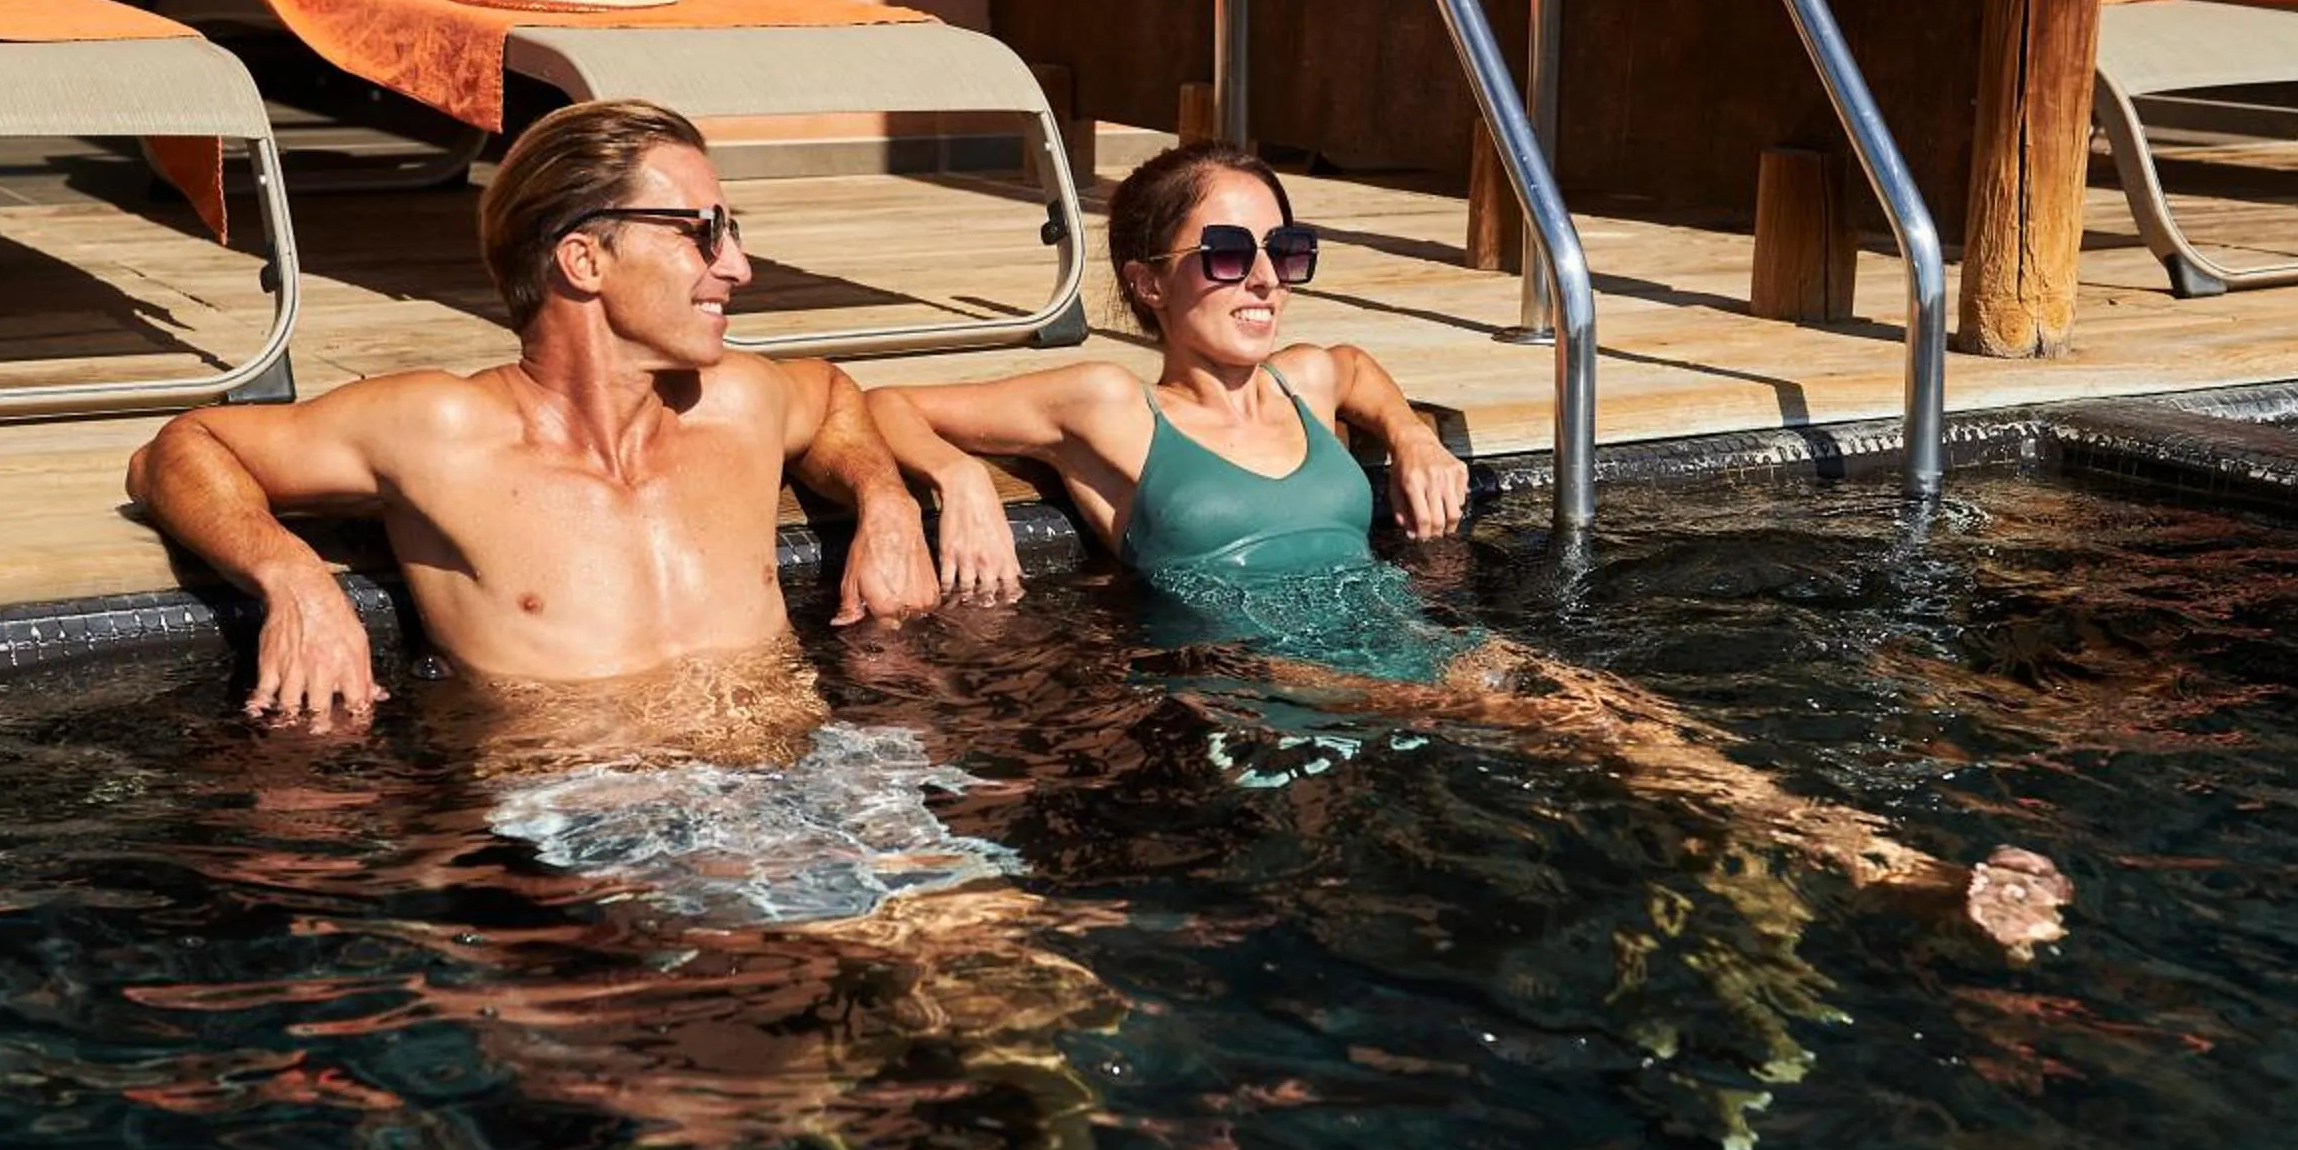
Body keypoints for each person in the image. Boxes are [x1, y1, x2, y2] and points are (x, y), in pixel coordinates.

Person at [870, 140, 2070, 959]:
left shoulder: (1302, 380)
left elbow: (1356, 369)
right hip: (1259, 682)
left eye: (1283, 254)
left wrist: (1401, 433)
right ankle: (1879, 878)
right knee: (1592, 732)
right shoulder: (1107, 406)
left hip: (1402, 639)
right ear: (1148, 278)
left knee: (1635, 725)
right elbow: (870, 397)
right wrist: (951, 477)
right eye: (1225, 255)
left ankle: (1857, 869)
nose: (1263, 281)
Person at [126, 98, 939, 734]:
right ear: (584, 259)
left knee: (986, 934)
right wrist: (293, 580)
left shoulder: (737, 402)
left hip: (811, 782)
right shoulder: (445, 430)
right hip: (590, 827)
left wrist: (887, 501)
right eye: (704, 232)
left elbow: (833, 397)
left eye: (733, 231)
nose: (739, 266)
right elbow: (181, 448)